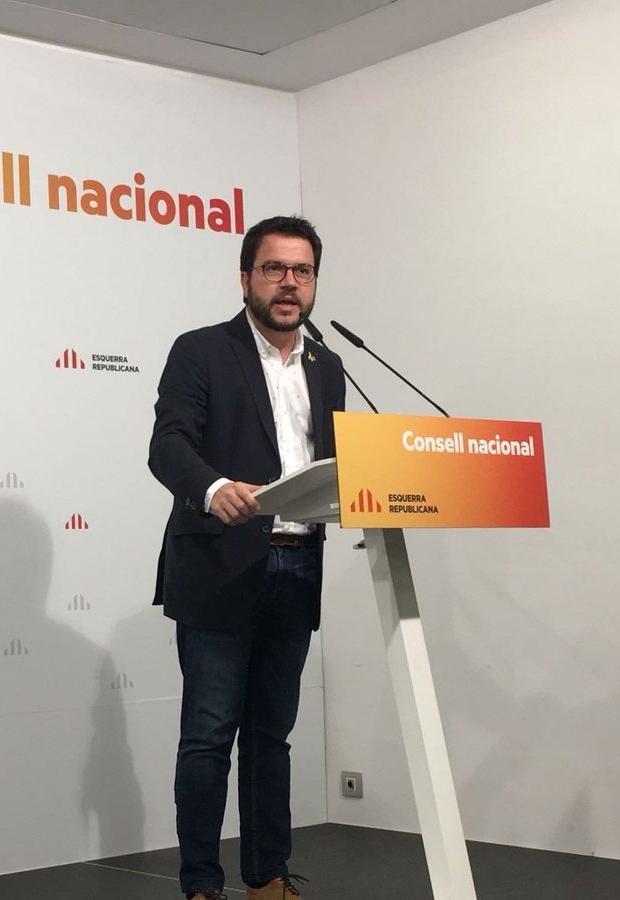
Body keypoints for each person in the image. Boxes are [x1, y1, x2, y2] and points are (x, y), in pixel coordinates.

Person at [149, 215, 346, 900]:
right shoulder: (202, 350)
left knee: (270, 737)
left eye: (302, 271)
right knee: (208, 737)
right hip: (220, 565)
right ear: (245, 279)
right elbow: (168, 444)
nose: (289, 283)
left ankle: (266, 878)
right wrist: (212, 488)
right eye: (274, 269)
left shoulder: (328, 366)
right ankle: (202, 884)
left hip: (298, 563)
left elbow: (333, 462)